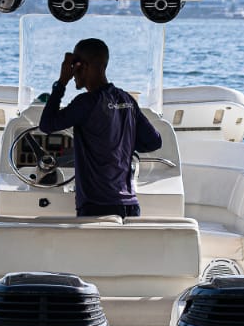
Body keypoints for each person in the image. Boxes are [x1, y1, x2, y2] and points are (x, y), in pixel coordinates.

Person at [38, 37, 162, 218]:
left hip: (97, 207)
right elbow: (154, 142)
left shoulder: (86, 103)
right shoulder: (126, 100)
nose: (73, 74)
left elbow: (47, 125)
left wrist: (61, 83)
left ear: (83, 66)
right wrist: (121, 145)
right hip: (130, 206)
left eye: (74, 66)